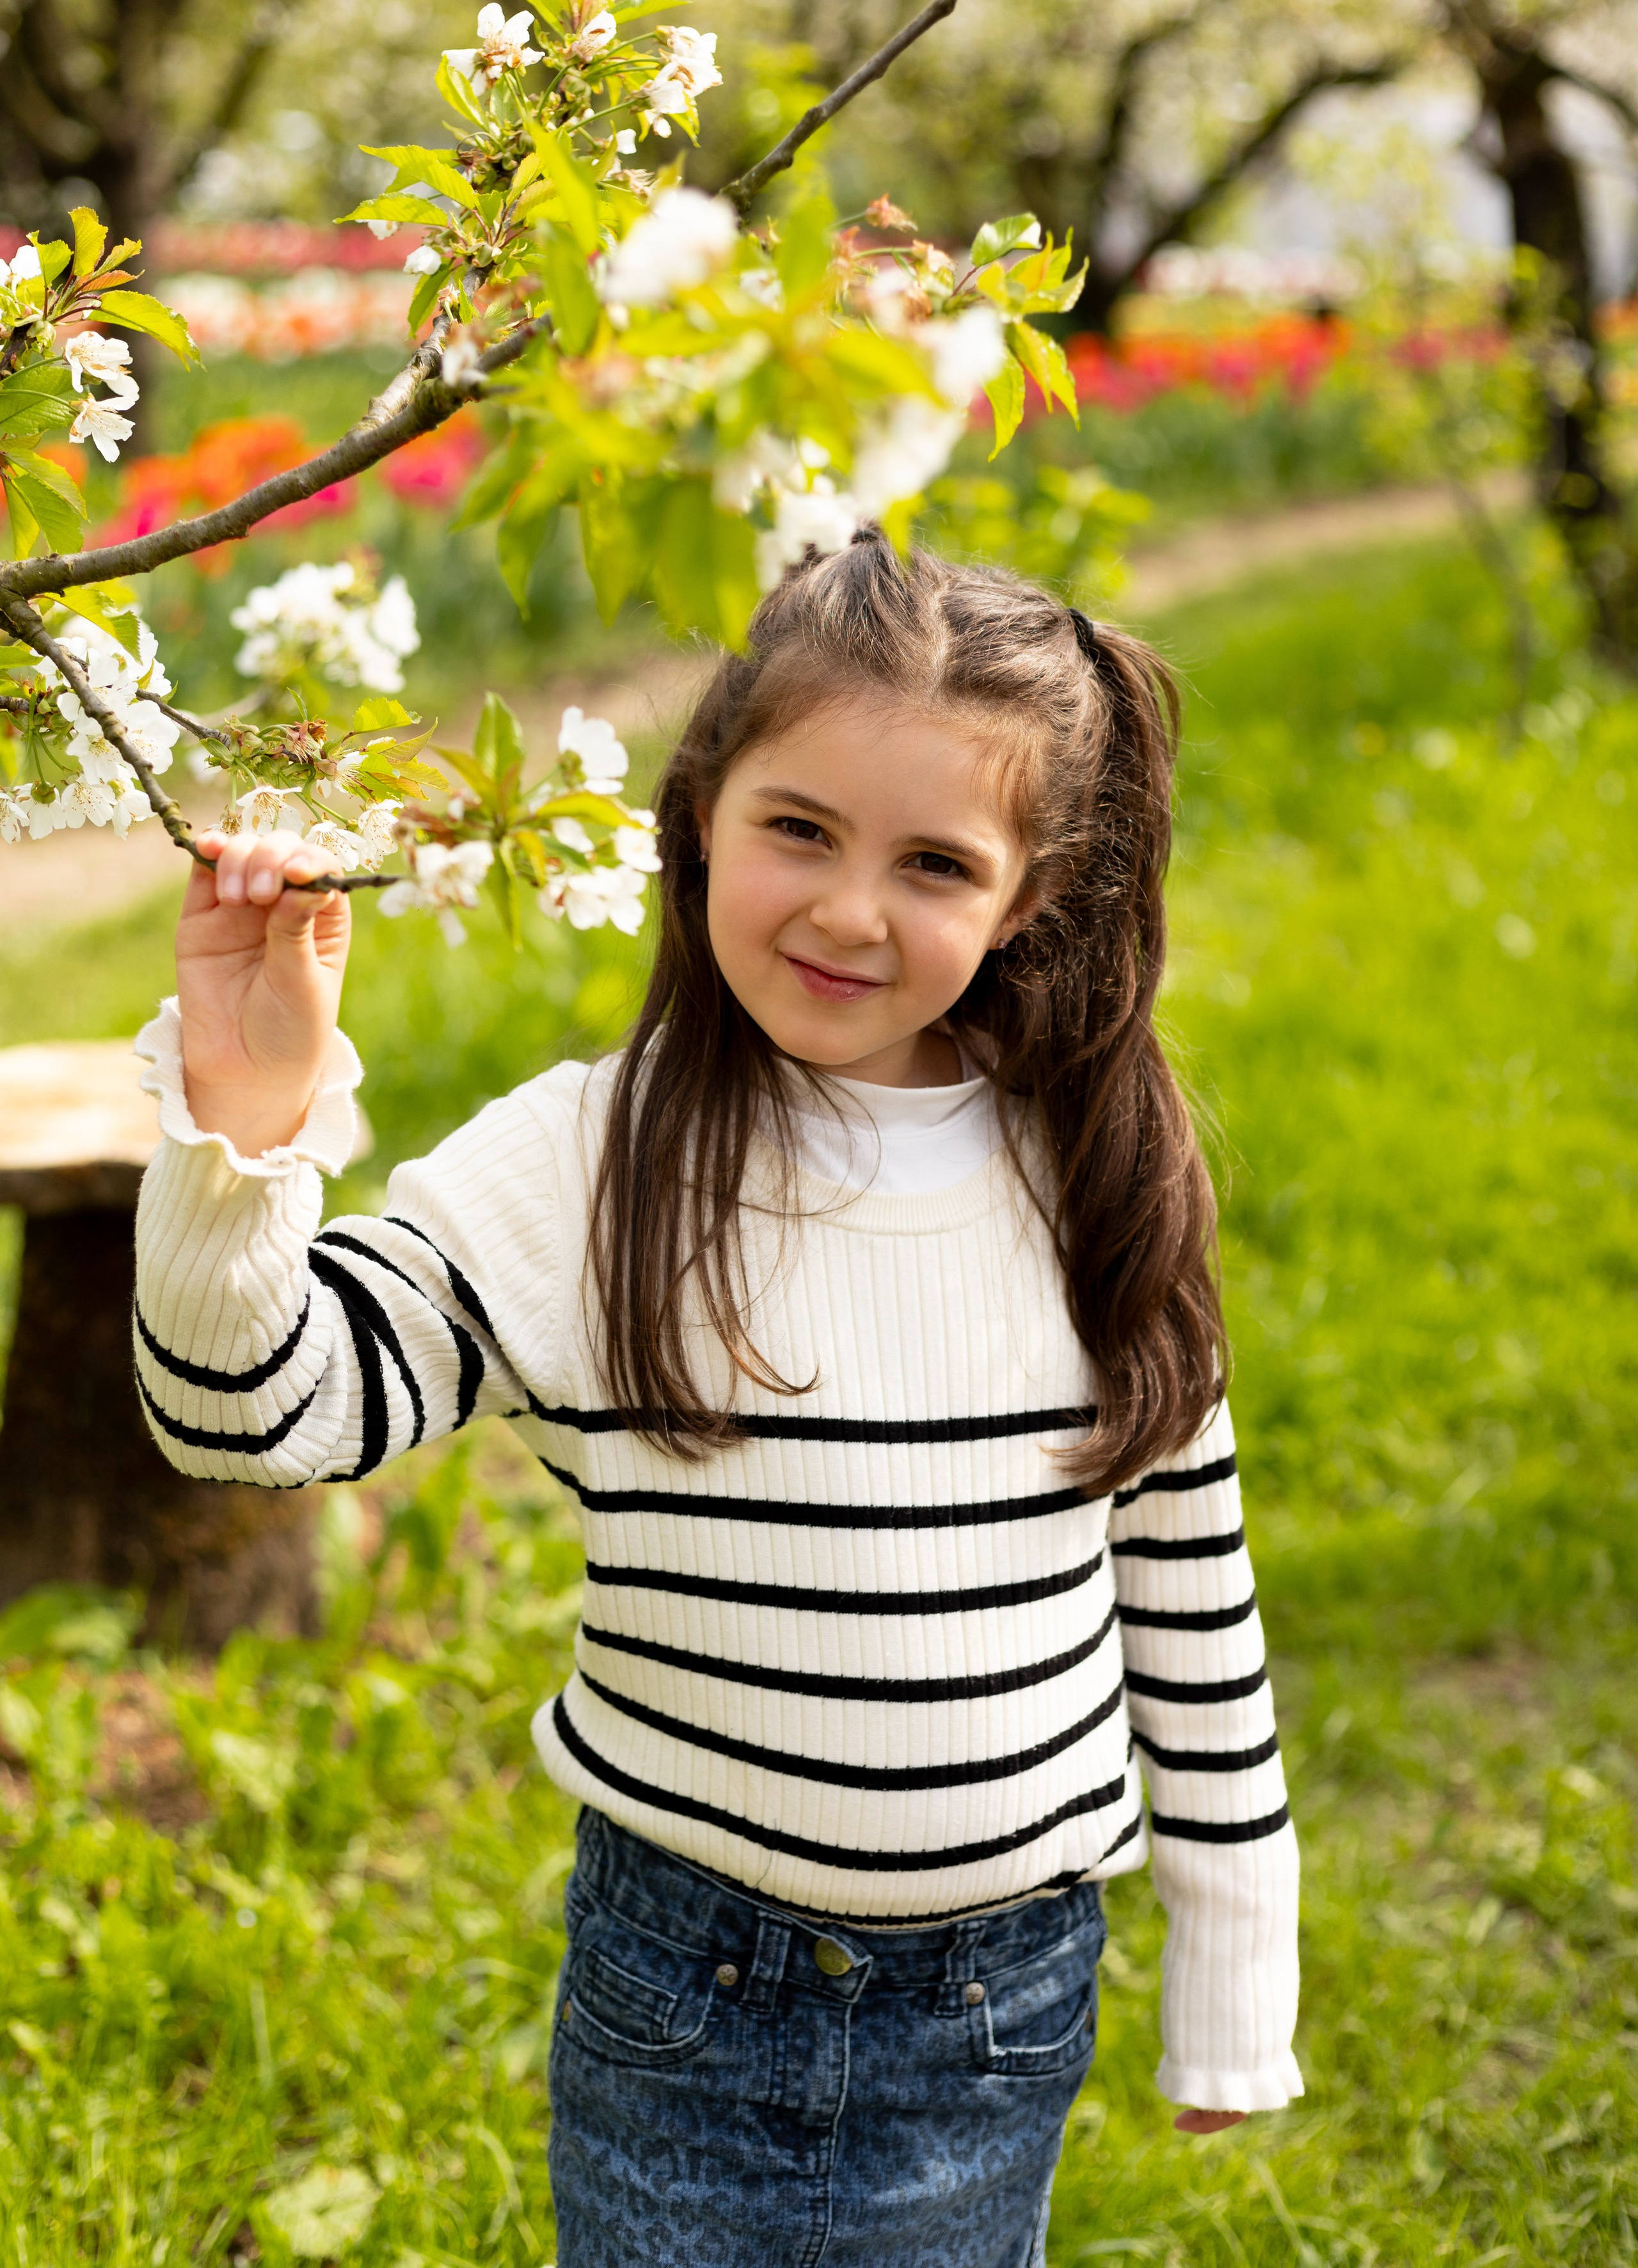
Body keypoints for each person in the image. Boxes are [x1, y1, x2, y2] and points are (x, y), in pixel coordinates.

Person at [133, 530, 1300, 2268]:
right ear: (702, 815)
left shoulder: (1097, 1185)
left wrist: (1234, 1970)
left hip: (996, 2010)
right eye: (800, 830)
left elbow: (1191, 1610)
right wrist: (249, 1114)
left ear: (1032, 895)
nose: (847, 910)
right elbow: (254, 1413)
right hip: (685, 1992)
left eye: (933, 863)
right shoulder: (593, 1162)